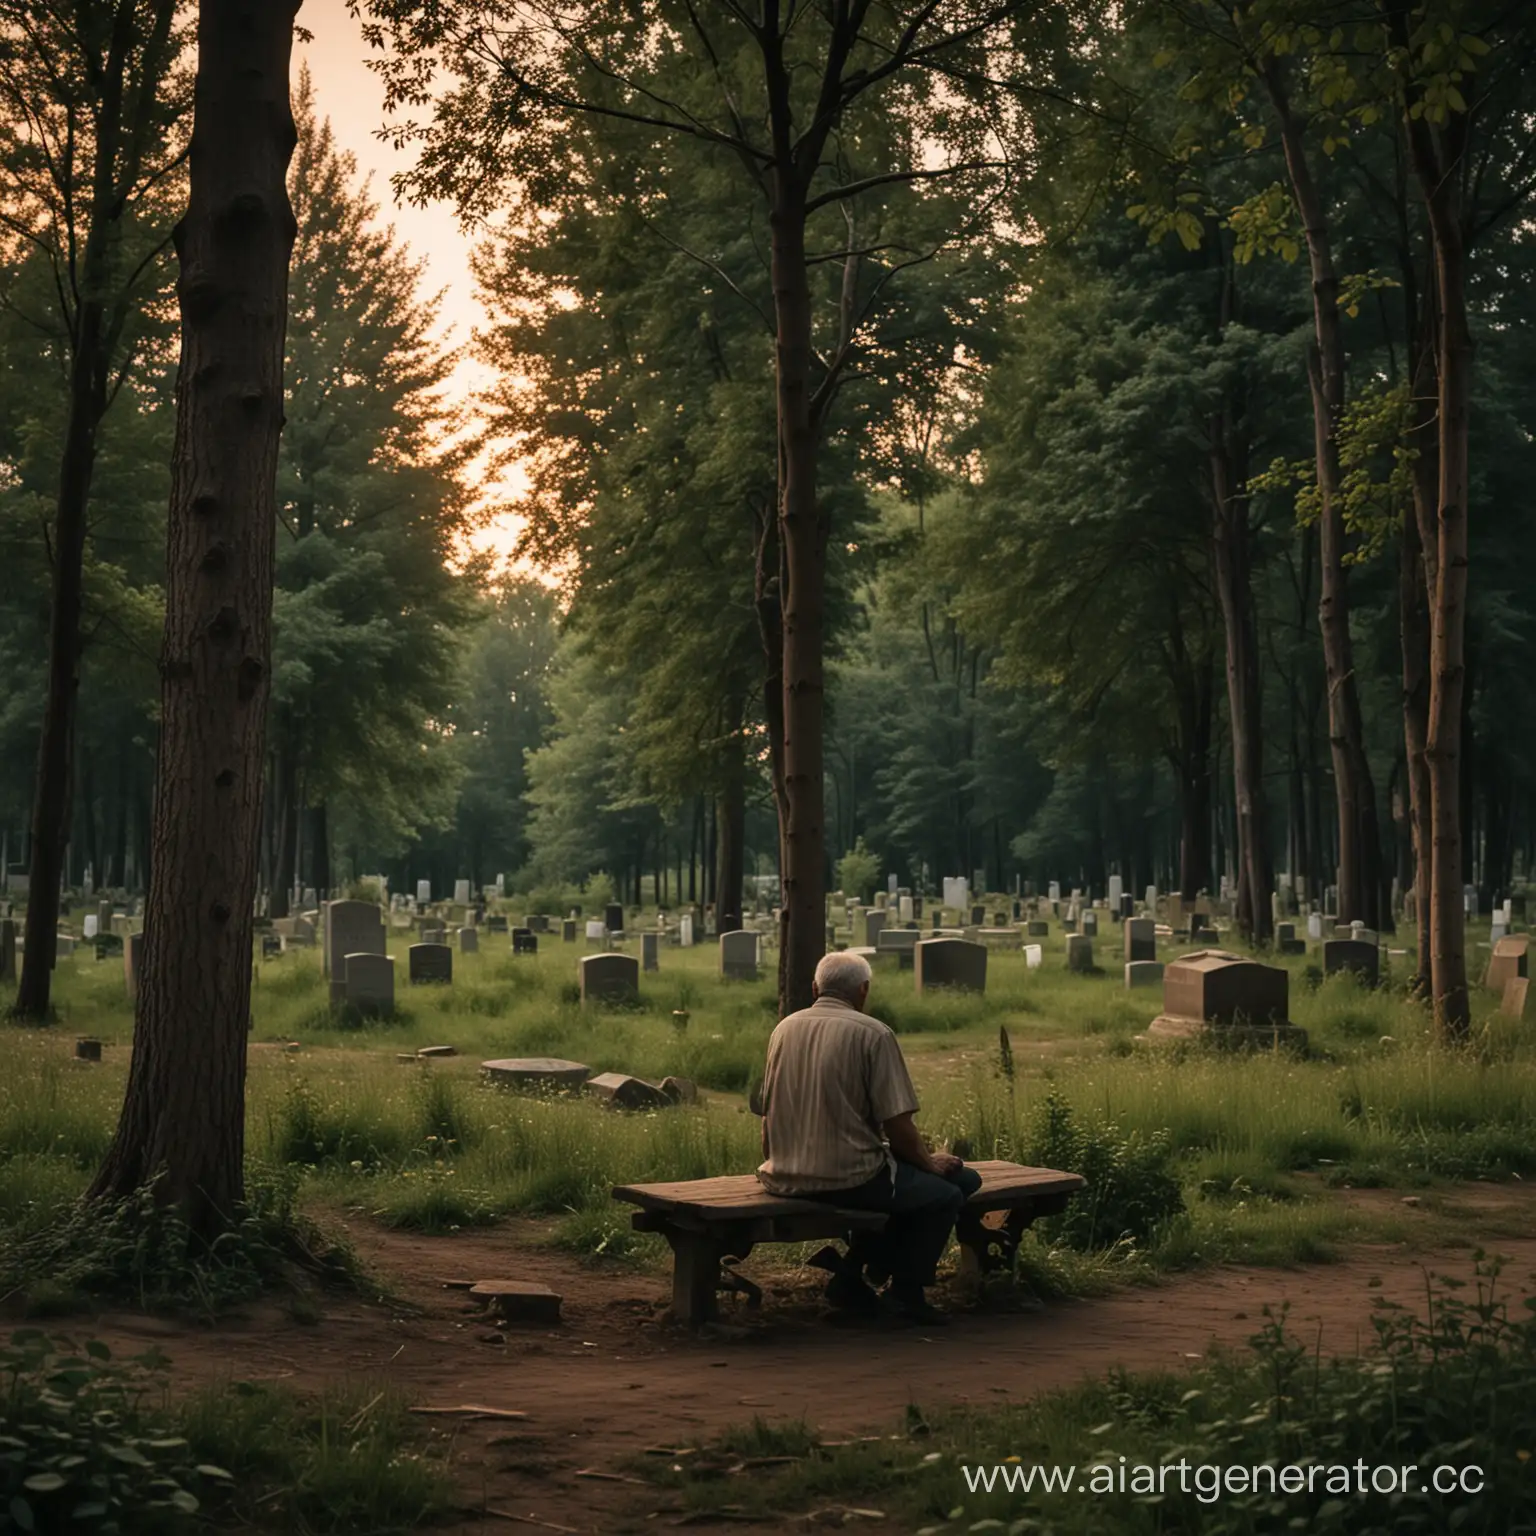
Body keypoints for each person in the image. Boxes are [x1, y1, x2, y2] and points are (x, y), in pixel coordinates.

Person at [756, 950, 981, 1323]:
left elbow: (767, 1114)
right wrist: (930, 1163)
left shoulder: (783, 1029)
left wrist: (777, 1157)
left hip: (782, 1173)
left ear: (815, 987)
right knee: (949, 1192)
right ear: (863, 990)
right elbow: (898, 1127)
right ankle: (905, 1293)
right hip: (850, 1176)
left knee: (926, 1187)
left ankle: (854, 1271)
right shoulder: (873, 1034)